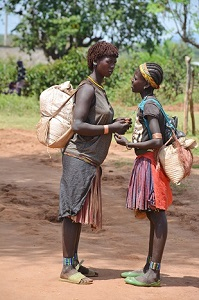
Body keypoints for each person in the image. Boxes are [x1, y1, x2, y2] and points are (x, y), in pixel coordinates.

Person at [59, 41, 131, 285]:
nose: (112, 65)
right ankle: (67, 267)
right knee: (71, 212)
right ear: (94, 61)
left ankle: (75, 262)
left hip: (89, 160)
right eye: (108, 61)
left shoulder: (99, 88)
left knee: (78, 212)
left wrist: (114, 124)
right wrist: (110, 127)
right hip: (78, 158)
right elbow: (77, 125)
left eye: (114, 62)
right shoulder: (88, 89)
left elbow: (95, 121)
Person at [114, 62, 173, 287]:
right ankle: (149, 267)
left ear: (146, 83)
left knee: (157, 216)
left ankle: (154, 274)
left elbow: (157, 139)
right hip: (146, 163)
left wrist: (129, 144)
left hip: (150, 165)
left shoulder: (149, 106)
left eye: (135, 76)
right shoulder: (148, 103)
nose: (132, 79)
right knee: (153, 215)